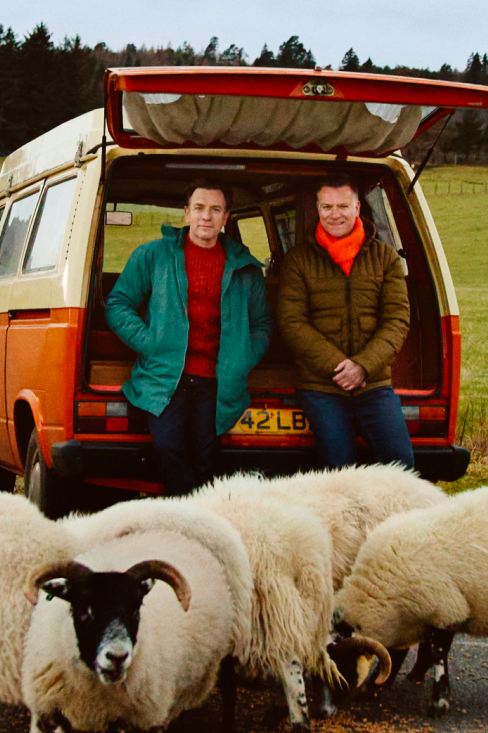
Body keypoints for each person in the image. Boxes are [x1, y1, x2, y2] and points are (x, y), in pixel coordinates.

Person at [106, 179, 273, 495]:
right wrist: (148, 342)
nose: (206, 217)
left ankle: (196, 524)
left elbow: (263, 324)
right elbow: (118, 303)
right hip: (164, 377)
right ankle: (189, 520)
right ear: (186, 213)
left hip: (217, 381)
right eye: (199, 208)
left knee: (206, 458)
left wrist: (243, 357)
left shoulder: (246, 269)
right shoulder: (153, 255)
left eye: (215, 210)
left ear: (226, 217)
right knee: (169, 448)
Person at [277, 173, 413, 470]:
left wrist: (363, 366)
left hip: (373, 383)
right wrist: (340, 367)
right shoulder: (299, 260)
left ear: (357, 209)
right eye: (326, 207)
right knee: (339, 472)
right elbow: (292, 323)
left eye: (342, 206)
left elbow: (397, 319)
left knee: (402, 469)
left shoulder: (385, 258)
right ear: (317, 208)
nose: (334, 214)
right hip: (321, 386)